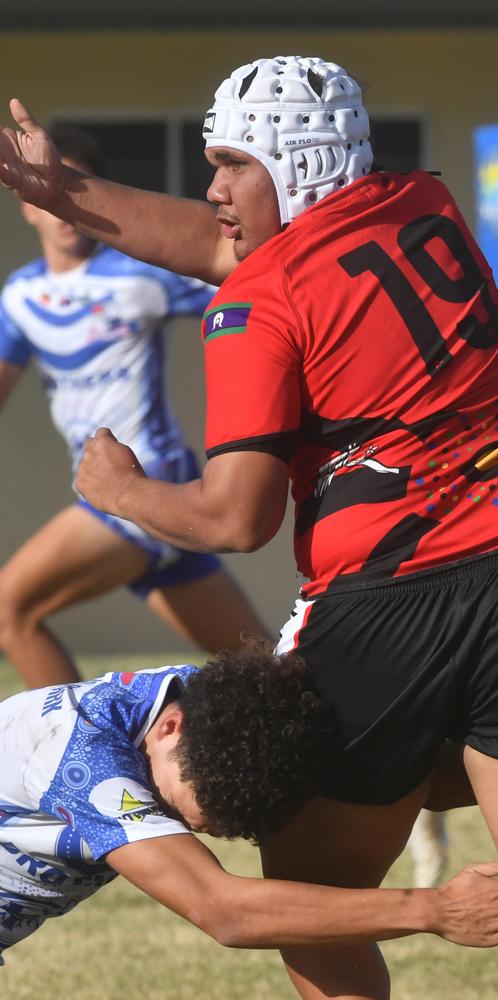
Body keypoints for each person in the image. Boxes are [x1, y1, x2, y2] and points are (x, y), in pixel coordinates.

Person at [0, 56, 498, 999]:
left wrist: (122, 488)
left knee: (313, 909)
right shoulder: (427, 206)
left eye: (230, 164)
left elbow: (234, 517)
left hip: (381, 609)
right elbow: (232, 244)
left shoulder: (258, 303)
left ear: (293, 165)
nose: (211, 187)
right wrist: (64, 187)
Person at [0, 640, 498, 966]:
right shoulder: (79, 760)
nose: (171, 832)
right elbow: (224, 911)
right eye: (173, 809)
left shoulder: (226, 711)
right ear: (169, 728)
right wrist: (436, 910)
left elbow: (410, 777)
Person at [0, 126, 265, 689]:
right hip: (114, 497)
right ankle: (344, 766)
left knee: (8, 611)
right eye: (45, 194)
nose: (61, 210)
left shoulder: (136, 272)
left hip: (149, 479)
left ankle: (79, 761)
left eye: (70, 189)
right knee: (261, 667)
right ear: (27, 206)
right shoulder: (20, 297)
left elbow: (252, 290)